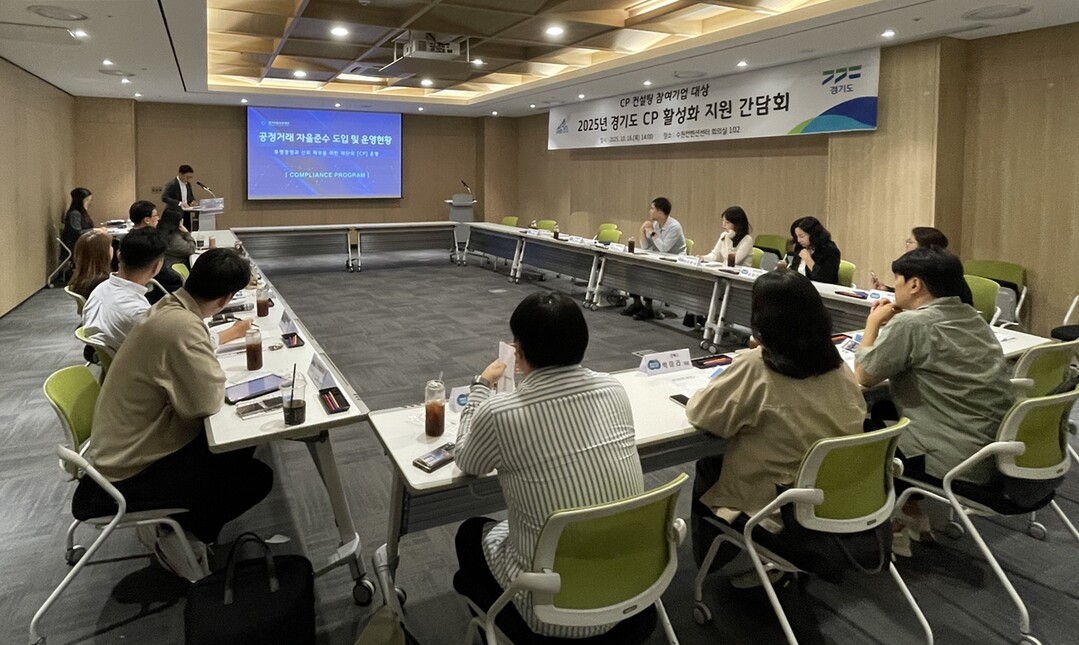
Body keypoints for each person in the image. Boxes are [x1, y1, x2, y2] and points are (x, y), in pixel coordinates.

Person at [72, 248, 273, 581]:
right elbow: (204, 403)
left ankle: (182, 528)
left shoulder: (167, 308)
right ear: (226, 299)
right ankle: (180, 535)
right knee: (255, 476)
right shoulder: (182, 327)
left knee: (238, 445)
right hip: (131, 467)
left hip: (117, 448)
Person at [453, 292, 644, 638]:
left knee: (470, 533)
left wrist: (481, 387)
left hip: (550, 615)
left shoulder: (500, 412)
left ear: (518, 352)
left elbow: (467, 461)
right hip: (630, 591)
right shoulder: (614, 388)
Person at [685, 270, 866, 584]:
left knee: (709, 466)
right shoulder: (836, 364)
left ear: (762, 321)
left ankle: (718, 563)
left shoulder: (757, 366)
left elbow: (702, 414)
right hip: (836, 501)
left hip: (781, 510)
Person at [854, 247, 1014, 552]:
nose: (894, 287)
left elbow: (865, 375)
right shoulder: (972, 317)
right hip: (990, 450)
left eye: (897, 280)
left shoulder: (911, 324)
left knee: (855, 425)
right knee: (885, 406)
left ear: (915, 284)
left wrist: (873, 323)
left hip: (952, 460)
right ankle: (911, 510)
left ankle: (884, 521)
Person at [82, 228, 166, 353]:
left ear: (118, 255)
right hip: (134, 363)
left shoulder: (99, 290)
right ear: (157, 266)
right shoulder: (139, 313)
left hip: (112, 360)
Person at [622, 197, 687, 320]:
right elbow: (646, 247)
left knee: (649, 273)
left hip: (674, 263)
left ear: (660, 213)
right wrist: (642, 230)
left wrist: (652, 232)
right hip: (658, 260)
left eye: (652, 209)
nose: (650, 211)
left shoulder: (675, 226)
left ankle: (648, 308)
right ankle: (637, 303)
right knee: (632, 269)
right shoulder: (656, 225)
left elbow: (664, 249)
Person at [130, 200, 184, 299]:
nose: (158, 219)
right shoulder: (151, 241)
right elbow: (160, 273)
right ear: (147, 220)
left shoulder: (128, 238)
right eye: (155, 216)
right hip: (157, 286)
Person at [871, 226, 950, 291]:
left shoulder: (932, 271)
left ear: (923, 247)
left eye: (910, 242)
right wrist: (887, 290)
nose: (906, 245)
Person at [787, 216, 841, 284]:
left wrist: (808, 260)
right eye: (796, 236)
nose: (798, 240)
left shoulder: (831, 251)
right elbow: (794, 271)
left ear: (813, 234)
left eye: (801, 236)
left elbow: (826, 279)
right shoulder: (799, 247)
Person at [68, 229, 113, 300]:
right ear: (102, 253)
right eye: (110, 246)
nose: (112, 249)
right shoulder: (103, 283)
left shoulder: (81, 279)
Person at [60, 187, 103, 256]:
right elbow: (77, 233)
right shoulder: (74, 214)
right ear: (80, 201)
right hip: (76, 246)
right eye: (87, 200)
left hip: (82, 243)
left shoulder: (80, 213)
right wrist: (94, 230)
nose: (89, 203)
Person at [162, 164, 199, 231]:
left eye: (190, 177)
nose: (188, 179)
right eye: (187, 177)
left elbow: (190, 197)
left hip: (186, 213)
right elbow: (164, 197)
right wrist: (179, 203)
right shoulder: (172, 184)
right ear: (180, 174)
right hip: (174, 213)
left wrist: (193, 201)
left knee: (186, 231)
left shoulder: (188, 184)